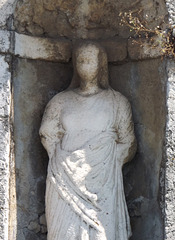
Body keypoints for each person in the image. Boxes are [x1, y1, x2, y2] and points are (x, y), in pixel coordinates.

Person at [39, 42, 137, 240]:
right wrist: (60, 159)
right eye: (81, 61)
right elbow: (46, 133)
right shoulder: (60, 101)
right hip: (63, 177)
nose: (84, 66)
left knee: (102, 233)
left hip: (102, 179)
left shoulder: (117, 102)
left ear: (101, 65)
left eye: (90, 61)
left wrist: (107, 160)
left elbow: (128, 142)